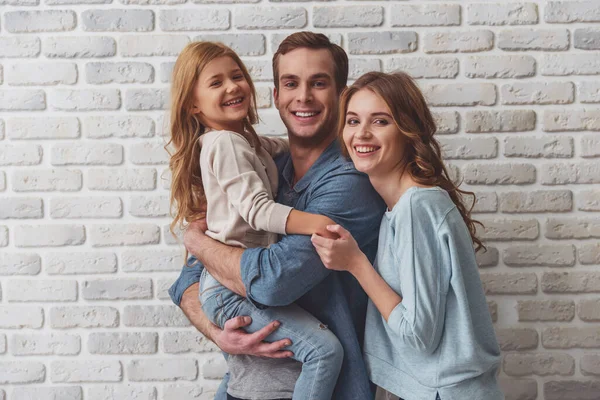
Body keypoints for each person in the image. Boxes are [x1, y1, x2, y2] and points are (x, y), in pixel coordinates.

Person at [168, 32, 385, 400]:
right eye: (290, 83)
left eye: (318, 83)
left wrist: (198, 242)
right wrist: (217, 330)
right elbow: (188, 281)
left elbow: (272, 282)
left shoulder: (349, 183)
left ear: (340, 95)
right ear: (276, 96)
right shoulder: (266, 165)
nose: (303, 97)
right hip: (239, 388)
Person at [311, 71, 503, 400]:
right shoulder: (402, 206)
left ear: (407, 130)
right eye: (353, 120)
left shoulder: (417, 207)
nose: (362, 134)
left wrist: (356, 263)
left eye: (380, 121)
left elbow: (417, 334)